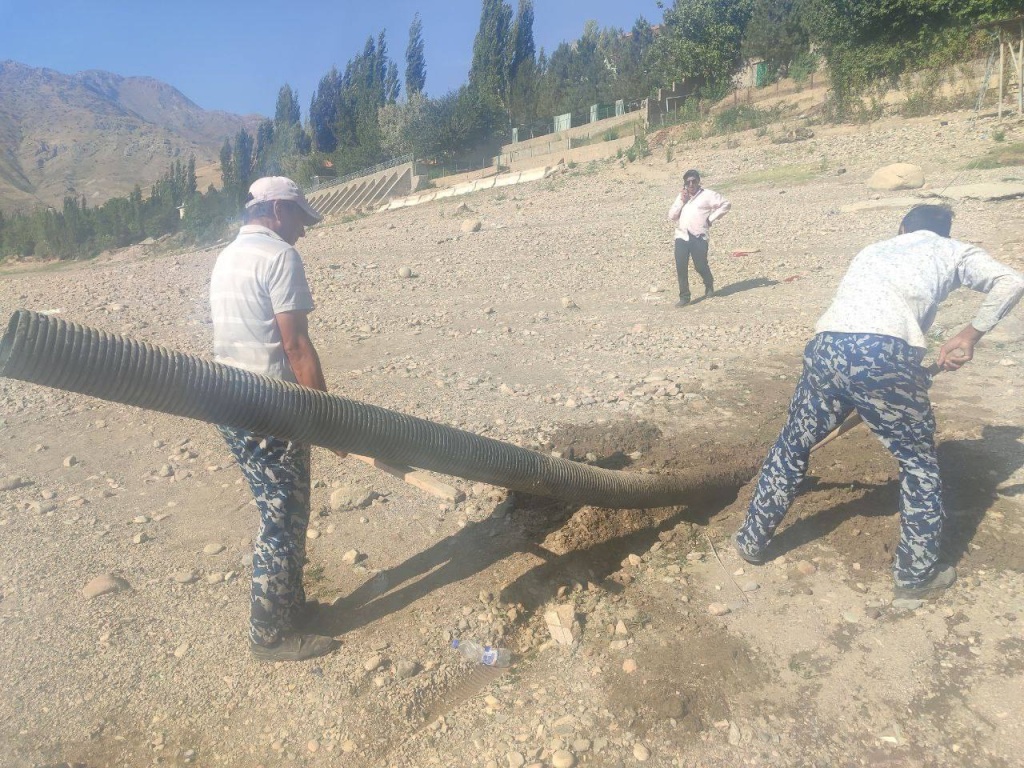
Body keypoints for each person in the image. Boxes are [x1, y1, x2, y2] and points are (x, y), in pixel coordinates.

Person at [732, 204, 1024, 599]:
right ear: (946, 232)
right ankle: (915, 576)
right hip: (886, 356)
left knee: (791, 445)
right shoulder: (954, 251)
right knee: (919, 465)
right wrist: (968, 336)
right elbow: (1011, 281)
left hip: (827, 347)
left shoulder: (873, 249)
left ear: (902, 227)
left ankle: (751, 539)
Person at [210, 176, 340, 661]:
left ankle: (289, 608)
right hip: (269, 407)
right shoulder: (279, 256)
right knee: (281, 519)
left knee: (287, 509)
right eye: (300, 219)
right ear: (279, 211)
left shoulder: (227, 256)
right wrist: (329, 422)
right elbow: (296, 347)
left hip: (229, 400)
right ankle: (268, 636)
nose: (303, 230)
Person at [667, 169, 731, 307]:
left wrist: (711, 219)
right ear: (685, 183)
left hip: (699, 236)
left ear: (698, 182)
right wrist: (682, 201)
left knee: (700, 265)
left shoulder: (707, 195)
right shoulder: (682, 197)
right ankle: (684, 297)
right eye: (688, 182)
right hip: (682, 236)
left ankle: (709, 283)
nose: (691, 184)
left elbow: (726, 204)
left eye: (694, 181)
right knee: (681, 266)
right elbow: (672, 216)